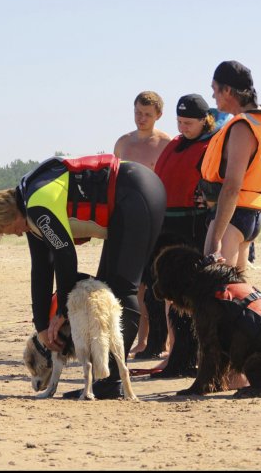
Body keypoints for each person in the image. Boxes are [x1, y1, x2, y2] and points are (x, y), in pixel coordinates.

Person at [0, 154, 165, 399]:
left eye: (10, 230)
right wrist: (41, 327)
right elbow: (41, 268)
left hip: (135, 192)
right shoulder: (28, 208)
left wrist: (62, 313)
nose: (16, 234)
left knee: (122, 289)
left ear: (13, 215)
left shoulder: (37, 207)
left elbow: (65, 255)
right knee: (107, 289)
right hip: (130, 195)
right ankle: (106, 379)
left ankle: (110, 383)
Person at [147, 94, 227, 378]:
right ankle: (174, 353)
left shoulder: (212, 143)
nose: (183, 127)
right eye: (179, 122)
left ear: (204, 119)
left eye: (188, 122)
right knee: (167, 294)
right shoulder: (176, 145)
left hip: (194, 226)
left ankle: (188, 356)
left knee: (189, 296)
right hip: (168, 224)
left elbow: (220, 183)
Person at [200, 60, 261, 271]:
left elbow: (231, 187)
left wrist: (213, 243)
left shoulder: (242, 127)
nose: (213, 96)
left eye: (215, 89)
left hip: (232, 217)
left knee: (217, 290)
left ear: (227, 90)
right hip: (252, 216)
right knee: (237, 290)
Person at [112, 91, 171, 359]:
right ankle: (142, 339)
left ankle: (168, 341)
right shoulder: (123, 143)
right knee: (136, 286)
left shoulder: (166, 144)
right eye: (137, 112)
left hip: (158, 219)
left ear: (158, 115)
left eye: (147, 114)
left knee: (162, 285)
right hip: (128, 221)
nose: (141, 118)